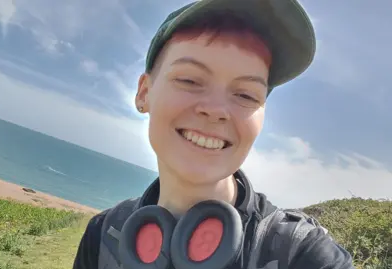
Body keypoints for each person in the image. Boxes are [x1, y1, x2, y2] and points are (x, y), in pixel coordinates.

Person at [73, 0, 355, 268]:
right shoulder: (102, 235)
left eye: (245, 94)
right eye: (189, 80)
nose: (216, 110)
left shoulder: (304, 255)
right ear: (144, 93)